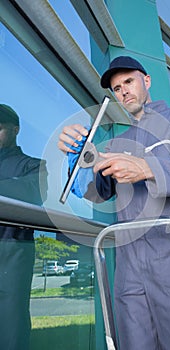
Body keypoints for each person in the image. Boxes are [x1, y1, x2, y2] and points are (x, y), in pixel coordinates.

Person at [58, 56, 170, 350]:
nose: (123, 91)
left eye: (128, 81)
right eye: (116, 88)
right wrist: (78, 160)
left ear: (146, 81)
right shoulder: (114, 145)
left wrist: (147, 168)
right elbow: (95, 192)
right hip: (130, 268)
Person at [0, 104, 48, 350]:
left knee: (11, 325)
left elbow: (33, 192)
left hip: (12, 254)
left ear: (15, 130)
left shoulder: (34, 165)